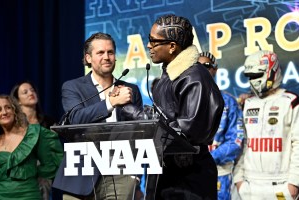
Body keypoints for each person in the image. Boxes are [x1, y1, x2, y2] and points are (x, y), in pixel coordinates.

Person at [123, 14, 224, 199]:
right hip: (168, 173)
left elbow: (184, 133)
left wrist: (133, 111)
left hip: (188, 179)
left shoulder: (194, 77)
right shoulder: (171, 75)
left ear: (172, 46)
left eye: (154, 41)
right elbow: (167, 118)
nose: (148, 46)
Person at [52, 32, 143, 200]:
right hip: (81, 170)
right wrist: (111, 103)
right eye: (100, 53)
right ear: (88, 58)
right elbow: (76, 118)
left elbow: (139, 135)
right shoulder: (73, 87)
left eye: (110, 52)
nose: (106, 57)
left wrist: (136, 176)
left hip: (121, 169)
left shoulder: (131, 90)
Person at [233, 50, 299, 199]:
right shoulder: (246, 104)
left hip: (281, 184)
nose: (253, 80)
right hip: (249, 184)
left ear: (272, 71)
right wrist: (238, 180)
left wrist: (294, 183)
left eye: (256, 75)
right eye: (250, 76)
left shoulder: (291, 102)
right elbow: (239, 144)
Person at [198, 52, 244, 200]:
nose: (202, 70)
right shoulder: (185, 100)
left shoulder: (228, 101)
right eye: (197, 66)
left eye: (206, 66)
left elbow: (236, 140)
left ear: (215, 69)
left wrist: (208, 158)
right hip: (192, 174)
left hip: (220, 174)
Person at [0, 94, 63, 200]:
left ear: (15, 110)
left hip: (29, 195)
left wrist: (33, 172)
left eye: (8, 107)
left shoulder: (33, 134)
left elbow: (51, 165)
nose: (4, 112)